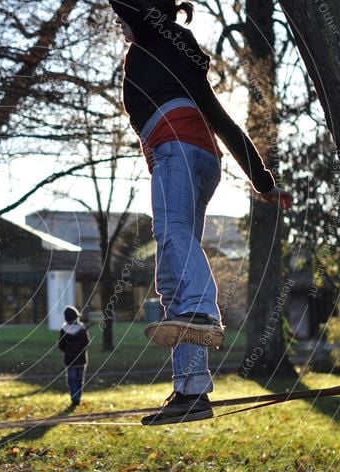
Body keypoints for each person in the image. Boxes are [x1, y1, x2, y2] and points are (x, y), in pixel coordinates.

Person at [108, 1, 292, 425]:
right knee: (172, 278)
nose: (120, 23)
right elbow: (226, 124)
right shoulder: (185, 67)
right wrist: (263, 183)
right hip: (198, 157)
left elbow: (129, 7)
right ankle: (191, 392)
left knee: (173, 239)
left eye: (124, 18)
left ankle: (202, 311)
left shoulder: (154, 35)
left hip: (177, 150)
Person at [58, 306, 90, 406]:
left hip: (69, 359)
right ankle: (78, 397)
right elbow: (86, 343)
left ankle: (74, 398)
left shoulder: (63, 330)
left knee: (72, 380)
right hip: (81, 359)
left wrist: (68, 351)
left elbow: (61, 345)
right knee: (80, 379)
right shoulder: (82, 329)